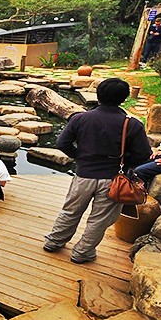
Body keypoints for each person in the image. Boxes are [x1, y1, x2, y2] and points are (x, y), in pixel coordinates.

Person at [43, 78, 151, 264]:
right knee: (99, 219)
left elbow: (62, 143)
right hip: (112, 180)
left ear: (98, 95)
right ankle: (82, 253)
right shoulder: (131, 124)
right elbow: (143, 154)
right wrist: (125, 166)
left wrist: (79, 157)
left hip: (83, 175)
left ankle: (54, 241)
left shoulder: (80, 118)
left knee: (70, 211)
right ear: (124, 98)